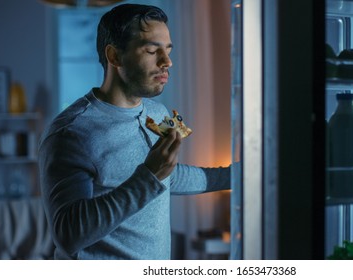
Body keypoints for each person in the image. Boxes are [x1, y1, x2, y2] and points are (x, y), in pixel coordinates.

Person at [38, 3, 230, 260]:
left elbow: (168, 176)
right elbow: (69, 234)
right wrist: (149, 176)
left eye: (168, 50)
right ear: (115, 56)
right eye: (152, 50)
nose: (167, 62)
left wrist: (240, 175)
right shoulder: (71, 132)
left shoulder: (158, 114)